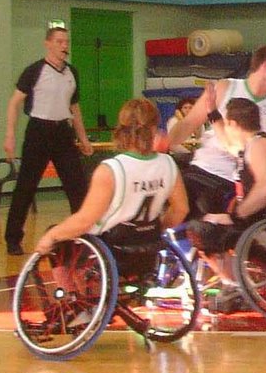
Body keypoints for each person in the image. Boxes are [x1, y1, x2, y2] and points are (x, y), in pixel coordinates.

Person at [165, 46, 266, 219]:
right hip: (206, 171)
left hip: (242, 183)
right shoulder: (225, 88)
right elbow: (189, 123)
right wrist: (163, 144)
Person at [33, 98, 189, 259]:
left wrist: (52, 235)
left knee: (55, 235)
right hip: (149, 246)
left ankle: (65, 277)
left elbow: (85, 220)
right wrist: (157, 230)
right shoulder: (168, 163)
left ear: (122, 129)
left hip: (111, 248)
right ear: (155, 128)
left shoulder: (112, 169)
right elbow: (180, 209)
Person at [182, 97, 266, 313]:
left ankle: (234, 286)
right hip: (259, 224)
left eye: (227, 123)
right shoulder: (250, 145)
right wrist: (213, 114)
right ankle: (233, 284)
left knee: (202, 231)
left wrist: (232, 216)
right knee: (207, 222)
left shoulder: (262, 147)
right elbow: (227, 142)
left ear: (233, 124)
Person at [4, 26, 95, 256]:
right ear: (48, 43)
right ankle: (13, 238)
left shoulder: (72, 72)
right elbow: (14, 102)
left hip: (63, 132)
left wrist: (83, 138)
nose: (64, 46)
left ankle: (85, 237)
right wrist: (10, 135)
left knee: (77, 186)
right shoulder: (34, 71)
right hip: (38, 131)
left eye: (66, 42)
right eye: (59, 41)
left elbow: (75, 108)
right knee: (26, 187)